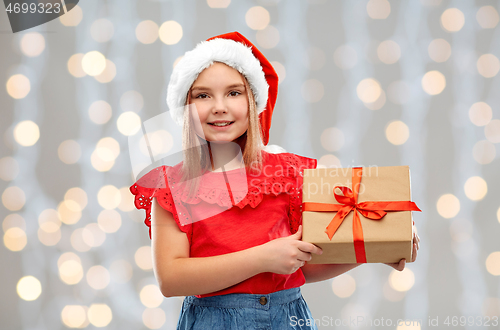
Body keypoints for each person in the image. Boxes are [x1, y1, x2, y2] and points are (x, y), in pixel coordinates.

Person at [130, 32, 421, 330]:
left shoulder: (287, 173)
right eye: (203, 95)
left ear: (254, 101)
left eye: (234, 93)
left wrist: (376, 249)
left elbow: (302, 266)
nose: (219, 106)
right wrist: (263, 258)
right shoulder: (173, 187)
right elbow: (171, 278)